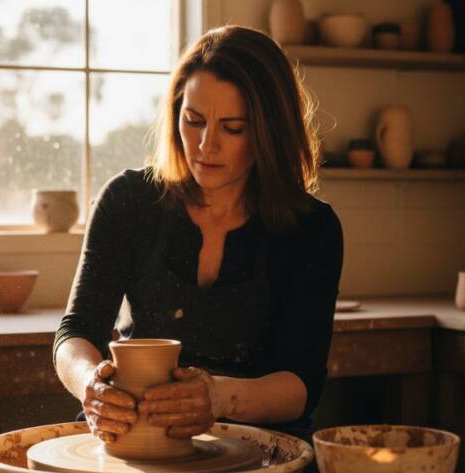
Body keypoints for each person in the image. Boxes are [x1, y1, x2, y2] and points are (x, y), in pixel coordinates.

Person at [52, 24, 343, 462]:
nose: (206, 145)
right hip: (137, 437)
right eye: (193, 121)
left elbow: (303, 384)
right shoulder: (130, 201)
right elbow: (75, 333)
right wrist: (90, 383)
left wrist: (220, 398)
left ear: (269, 132)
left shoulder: (310, 228)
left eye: (233, 127)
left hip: (259, 444)